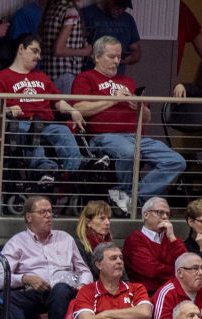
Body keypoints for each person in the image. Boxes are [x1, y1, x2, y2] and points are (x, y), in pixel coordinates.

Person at [70, 38, 184, 215]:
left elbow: (146, 118)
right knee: (130, 152)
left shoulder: (128, 81)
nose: (117, 61)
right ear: (97, 57)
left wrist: (139, 106)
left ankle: (128, 197)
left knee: (176, 161)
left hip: (135, 136)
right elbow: (78, 109)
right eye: (111, 56)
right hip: (104, 137)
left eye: (119, 56)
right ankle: (127, 197)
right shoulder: (85, 79)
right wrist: (112, 99)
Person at [0, 195, 92, 319]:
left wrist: (83, 285)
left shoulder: (65, 239)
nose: (49, 216)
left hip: (64, 292)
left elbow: (84, 270)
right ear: (28, 217)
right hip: (34, 293)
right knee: (4, 298)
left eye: (50, 211)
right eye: (42, 212)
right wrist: (26, 279)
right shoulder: (16, 242)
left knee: (60, 290)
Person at [0, 35, 84, 186]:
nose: (38, 56)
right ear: (21, 49)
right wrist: (8, 109)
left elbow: (57, 101)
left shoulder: (42, 76)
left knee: (63, 131)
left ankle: (77, 171)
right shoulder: (0, 77)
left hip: (45, 122)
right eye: (35, 51)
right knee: (31, 134)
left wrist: (73, 111)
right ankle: (44, 168)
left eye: (39, 53)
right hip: (20, 123)